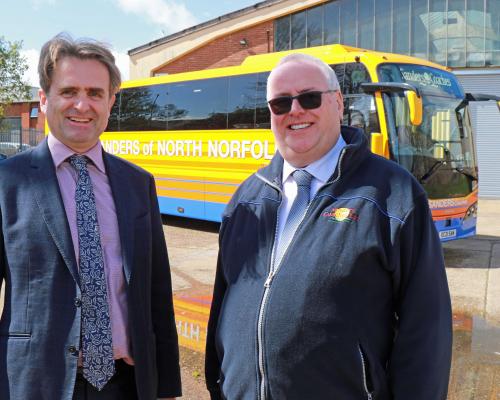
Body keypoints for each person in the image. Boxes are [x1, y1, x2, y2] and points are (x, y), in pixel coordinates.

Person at [205, 53, 452, 400]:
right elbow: (224, 306)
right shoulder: (247, 198)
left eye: (309, 97)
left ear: (338, 102)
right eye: (280, 103)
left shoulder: (393, 194)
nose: (295, 110)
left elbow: (427, 330)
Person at [0, 33, 181, 400]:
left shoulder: (138, 183)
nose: (82, 105)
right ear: (44, 98)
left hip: (125, 384)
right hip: (35, 383)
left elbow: (157, 291)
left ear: (111, 102)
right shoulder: (8, 182)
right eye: (69, 91)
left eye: (95, 93)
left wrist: (165, 386)